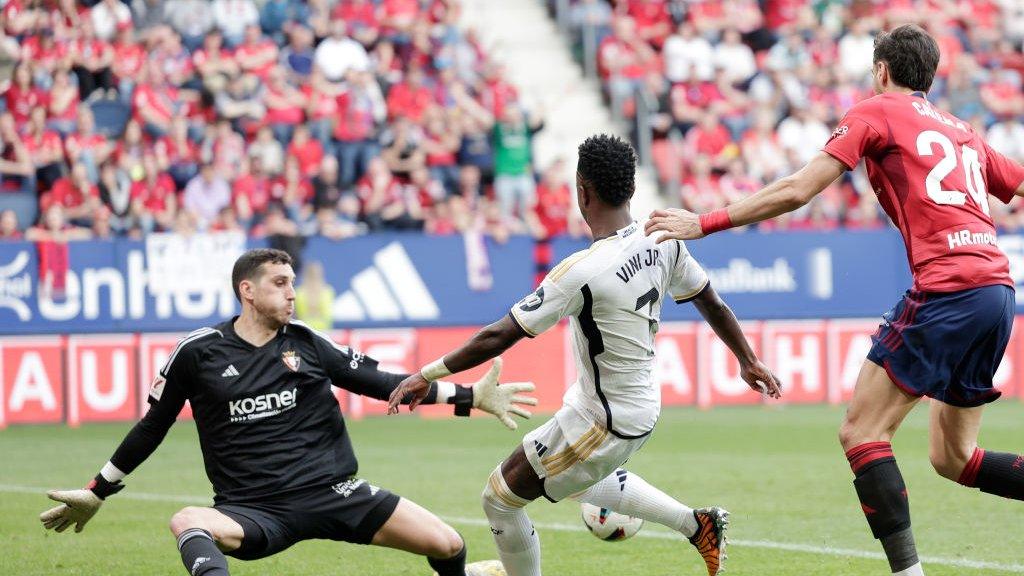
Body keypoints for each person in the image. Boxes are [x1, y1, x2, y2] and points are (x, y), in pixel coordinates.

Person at [644, 25, 1024, 576]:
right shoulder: (963, 130)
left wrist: (705, 221)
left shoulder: (874, 111)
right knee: (953, 458)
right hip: (996, 291)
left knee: (862, 432)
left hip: (947, 287)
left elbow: (800, 189)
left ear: (882, 71)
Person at [387, 135, 781, 576]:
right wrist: (747, 359)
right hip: (622, 405)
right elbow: (711, 300)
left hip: (605, 422)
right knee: (575, 481)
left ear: (582, 191)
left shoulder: (582, 271)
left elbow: (499, 335)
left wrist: (428, 373)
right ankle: (696, 525)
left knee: (499, 498)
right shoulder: (663, 239)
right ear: (630, 189)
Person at [40, 249, 537, 576]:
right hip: (254, 509)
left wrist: (470, 398)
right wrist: (96, 491)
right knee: (187, 519)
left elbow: (387, 385)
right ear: (248, 291)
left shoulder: (308, 343)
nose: (292, 292)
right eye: (279, 283)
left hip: (334, 492)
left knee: (448, 544)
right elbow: (153, 425)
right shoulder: (197, 352)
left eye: (293, 282)